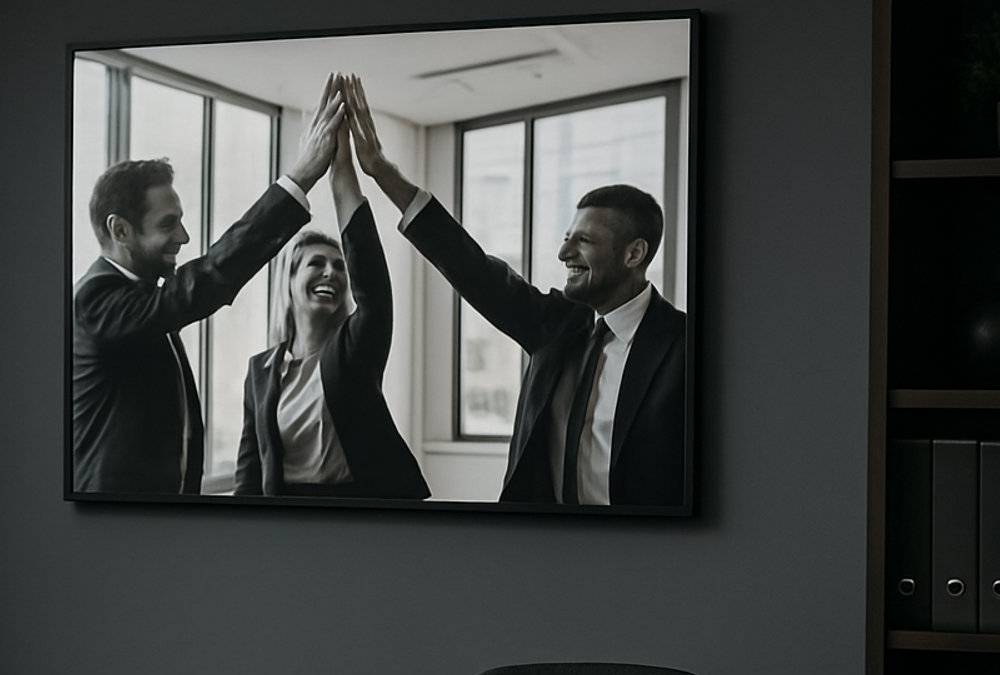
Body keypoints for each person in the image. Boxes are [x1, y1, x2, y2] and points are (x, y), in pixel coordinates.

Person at [342, 76, 689, 508]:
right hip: (542, 549)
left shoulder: (684, 347)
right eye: (566, 237)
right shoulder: (556, 324)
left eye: (583, 241)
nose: (564, 252)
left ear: (634, 253)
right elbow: (474, 269)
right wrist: (381, 172)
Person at [71, 76, 347, 495]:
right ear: (120, 230)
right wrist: (299, 179)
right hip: (116, 528)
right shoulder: (97, 300)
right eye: (168, 224)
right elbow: (205, 283)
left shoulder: (139, 298)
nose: (183, 237)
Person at [234, 112, 428, 501]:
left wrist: (342, 169)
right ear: (289, 283)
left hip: (358, 509)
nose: (331, 273)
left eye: (339, 266)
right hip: (286, 518)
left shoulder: (357, 347)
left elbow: (371, 282)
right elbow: (249, 470)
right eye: (316, 264)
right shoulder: (262, 370)